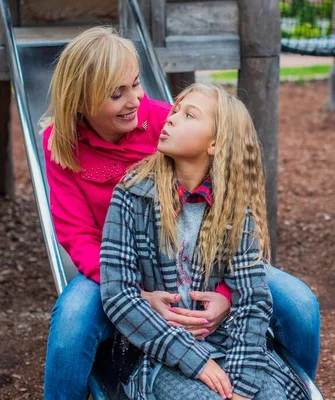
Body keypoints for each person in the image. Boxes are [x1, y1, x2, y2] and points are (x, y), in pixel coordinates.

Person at [42, 26, 320, 400]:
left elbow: (226, 195)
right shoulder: (61, 144)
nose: (134, 100)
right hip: (113, 268)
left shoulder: (162, 120)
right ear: (81, 101)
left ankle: (277, 375)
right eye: (116, 93)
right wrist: (137, 293)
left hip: (201, 255)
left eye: (136, 84)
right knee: (71, 325)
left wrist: (225, 292)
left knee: (299, 304)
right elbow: (76, 234)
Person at [101, 83, 310, 400]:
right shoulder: (133, 193)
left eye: (189, 115)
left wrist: (241, 387)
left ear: (215, 144)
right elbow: (118, 295)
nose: (170, 119)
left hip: (226, 345)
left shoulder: (232, 207)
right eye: (174, 111)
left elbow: (251, 300)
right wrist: (195, 360)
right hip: (158, 354)